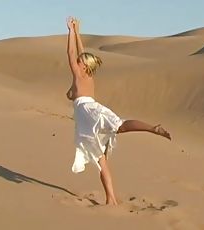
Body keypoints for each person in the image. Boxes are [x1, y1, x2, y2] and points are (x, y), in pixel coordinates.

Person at [66, 17, 171, 205]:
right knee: (117, 130)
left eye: (79, 61)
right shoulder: (88, 74)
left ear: (82, 65)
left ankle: (111, 198)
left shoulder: (78, 73)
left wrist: (70, 32)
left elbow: (72, 51)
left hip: (85, 114)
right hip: (94, 108)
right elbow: (82, 53)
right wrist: (78, 32)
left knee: (100, 158)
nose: (77, 60)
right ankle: (111, 198)